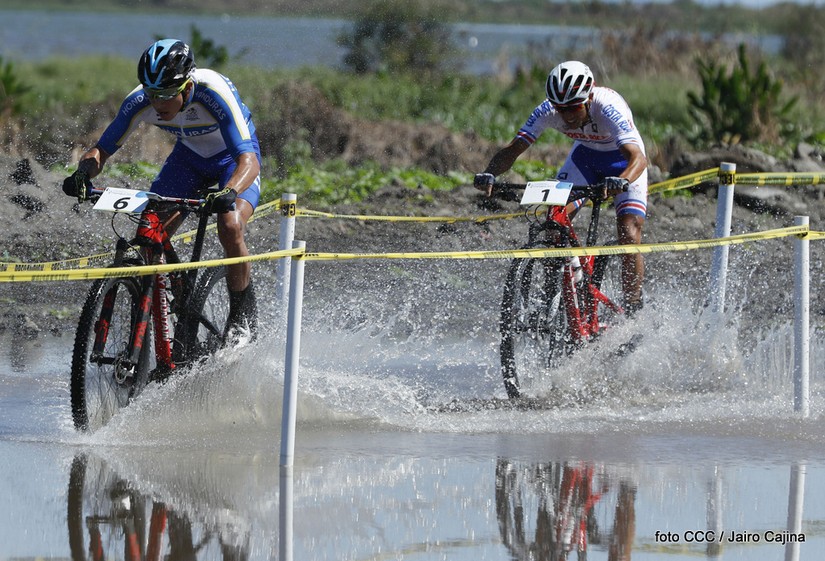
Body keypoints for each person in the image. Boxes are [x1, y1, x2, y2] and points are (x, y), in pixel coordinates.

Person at [62, 39, 261, 340]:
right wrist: (82, 173)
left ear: (186, 86)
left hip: (230, 162)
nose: (158, 104)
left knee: (230, 226)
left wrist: (229, 191)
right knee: (149, 233)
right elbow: (101, 151)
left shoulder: (213, 92)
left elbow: (248, 160)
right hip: (188, 160)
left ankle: (240, 315)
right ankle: (160, 315)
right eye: (152, 94)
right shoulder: (140, 100)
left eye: (167, 95)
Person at [474, 60, 648, 314]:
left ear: (588, 99)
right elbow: (514, 150)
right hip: (585, 160)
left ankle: (634, 307)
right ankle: (559, 294)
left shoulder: (608, 107)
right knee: (555, 219)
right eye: (560, 108)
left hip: (623, 163)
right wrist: (489, 172)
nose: (566, 116)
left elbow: (638, 159)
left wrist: (621, 180)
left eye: (573, 108)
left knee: (629, 232)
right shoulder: (547, 110)